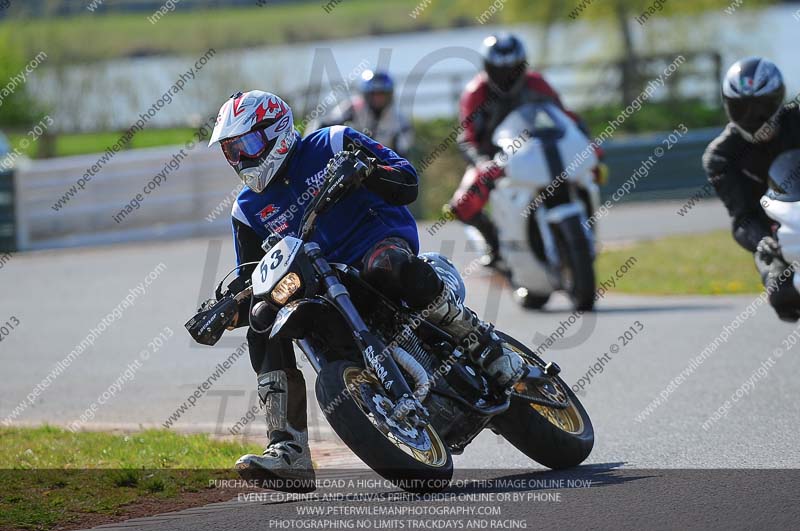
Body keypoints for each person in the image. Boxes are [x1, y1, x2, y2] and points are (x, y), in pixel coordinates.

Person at [205, 90, 526, 487]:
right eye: (231, 152)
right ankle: (288, 448)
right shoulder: (246, 209)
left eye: (247, 145)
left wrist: (367, 171)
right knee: (262, 322)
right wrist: (225, 307)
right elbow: (252, 275)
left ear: (277, 131)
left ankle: (480, 342)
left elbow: (407, 180)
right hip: (317, 288)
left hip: (376, 248)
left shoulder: (333, 141)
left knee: (385, 265)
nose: (240, 160)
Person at [448, 33, 603, 267]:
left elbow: (566, 117)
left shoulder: (537, 83)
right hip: (494, 159)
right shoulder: (475, 93)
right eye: (499, 70)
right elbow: (468, 138)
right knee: (462, 205)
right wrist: (482, 162)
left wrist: (588, 143)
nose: (506, 77)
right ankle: (495, 246)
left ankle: (584, 238)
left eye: (512, 69)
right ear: (487, 68)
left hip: (539, 151)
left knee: (589, 176)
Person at [702, 56, 800, 321]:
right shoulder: (721, 156)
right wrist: (763, 242)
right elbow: (742, 218)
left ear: (778, 100)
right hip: (778, 239)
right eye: (741, 109)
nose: (754, 118)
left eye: (762, 107)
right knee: (783, 296)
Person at [306, 69, 414, 157]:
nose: (378, 99)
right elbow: (323, 125)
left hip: (381, 170)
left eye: (382, 94)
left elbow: (403, 154)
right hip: (346, 163)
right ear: (366, 94)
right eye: (374, 94)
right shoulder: (352, 107)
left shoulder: (400, 120)